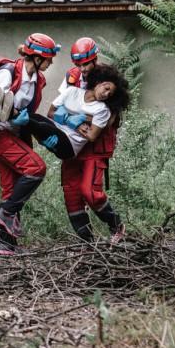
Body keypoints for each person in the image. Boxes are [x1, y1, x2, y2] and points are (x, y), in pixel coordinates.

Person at [0, 33, 60, 256]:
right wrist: (15, 115)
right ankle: (6, 214)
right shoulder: (8, 72)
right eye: (49, 59)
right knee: (36, 168)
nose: (51, 62)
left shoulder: (38, 80)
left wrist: (43, 133)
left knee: (11, 185)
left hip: (16, 133)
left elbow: (30, 113)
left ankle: (4, 244)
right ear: (37, 57)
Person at [58, 38, 128, 245]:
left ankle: (116, 224)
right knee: (71, 192)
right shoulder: (71, 78)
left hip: (96, 143)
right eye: (78, 64)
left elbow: (110, 118)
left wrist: (83, 119)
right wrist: (69, 120)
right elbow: (60, 105)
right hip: (72, 141)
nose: (82, 68)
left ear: (94, 59)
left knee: (90, 191)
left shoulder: (108, 80)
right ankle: (86, 242)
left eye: (86, 63)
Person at [10, 64, 129, 163]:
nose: (106, 94)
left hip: (70, 146)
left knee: (45, 127)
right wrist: (68, 120)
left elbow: (92, 136)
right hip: (55, 130)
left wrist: (76, 126)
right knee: (36, 117)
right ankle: (9, 110)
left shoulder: (102, 109)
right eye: (106, 88)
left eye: (110, 94)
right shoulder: (72, 92)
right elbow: (51, 113)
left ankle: (13, 115)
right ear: (98, 81)